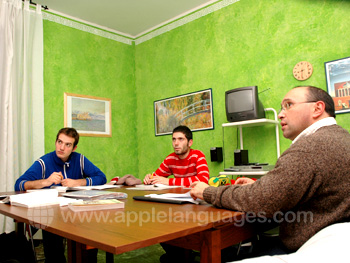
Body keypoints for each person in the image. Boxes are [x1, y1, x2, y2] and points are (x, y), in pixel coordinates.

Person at [190, 86, 350, 259]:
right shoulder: (340, 137)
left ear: (317, 108)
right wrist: (263, 186)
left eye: (288, 105)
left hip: (309, 246)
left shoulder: (310, 148)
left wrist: (207, 191)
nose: (281, 114)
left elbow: (260, 201)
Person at [15, 127, 107, 263]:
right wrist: (46, 181)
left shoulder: (80, 159)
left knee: (90, 238)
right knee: (53, 249)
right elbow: (19, 184)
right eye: (59, 142)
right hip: (53, 215)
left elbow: (101, 177)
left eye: (67, 144)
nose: (61, 147)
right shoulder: (44, 162)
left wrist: (79, 182)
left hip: (78, 214)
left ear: (74, 148)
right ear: (55, 142)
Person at [143, 125, 209, 187]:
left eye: (181, 139)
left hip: (195, 196)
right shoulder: (170, 159)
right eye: (174, 139)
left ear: (190, 143)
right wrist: (149, 179)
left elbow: (204, 180)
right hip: (178, 196)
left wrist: (169, 181)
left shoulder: (198, 155)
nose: (176, 143)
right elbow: (156, 178)